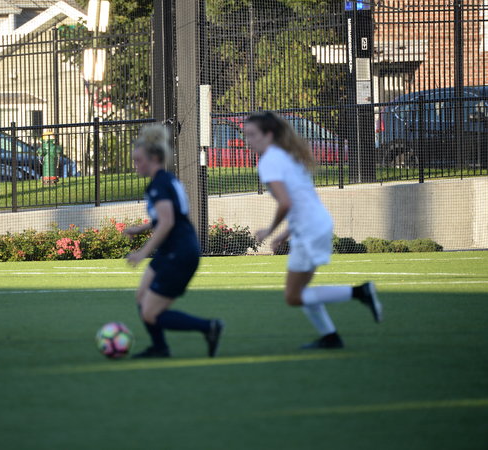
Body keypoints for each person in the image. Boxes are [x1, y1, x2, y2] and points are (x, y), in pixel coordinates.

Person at [244, 112, 382, 349]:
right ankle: (330, 337)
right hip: (315, 224)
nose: (248, 141)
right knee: (302, 291)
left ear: (269, 135)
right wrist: (285, 234)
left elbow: (286, 203)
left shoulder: (269, 161)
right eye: (246, 135)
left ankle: (360, 292)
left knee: (293, 296)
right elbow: (300, 202)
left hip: (309, 229)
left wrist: (269, 230)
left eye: (252, 135)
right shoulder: (285, 156)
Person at [124, 124, 224, 358]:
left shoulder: (159, 184)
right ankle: (160, 348)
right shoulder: (166, 180)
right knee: (141, 296)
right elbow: (170, 216)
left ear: (154, 158)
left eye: (138, 160)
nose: (136, 165)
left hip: (179, 253)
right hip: (172, 250)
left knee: (150, 313)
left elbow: (167, 222)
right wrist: (141, 228)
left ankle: (208, 327)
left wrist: (142, 252)